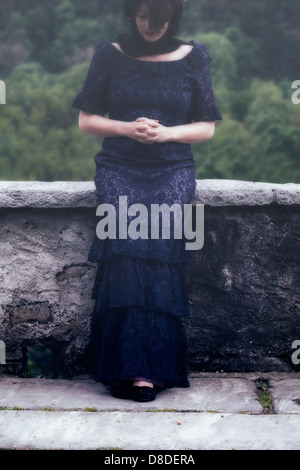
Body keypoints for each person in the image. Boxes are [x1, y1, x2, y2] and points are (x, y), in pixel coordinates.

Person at [72, 0, 222, 402]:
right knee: (125, 253)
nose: (149, 25)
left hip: (172, 168)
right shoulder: (109, 55)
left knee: (161, 255)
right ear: (130, 14)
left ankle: (151, 370)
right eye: (142, 16)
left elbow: (206, 127)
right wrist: (127, 128)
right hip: (119, 165)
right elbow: (87, 120)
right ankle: (123, 367)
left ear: (173, 16)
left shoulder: (194, 57)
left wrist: (166, 134)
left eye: (158, 18)